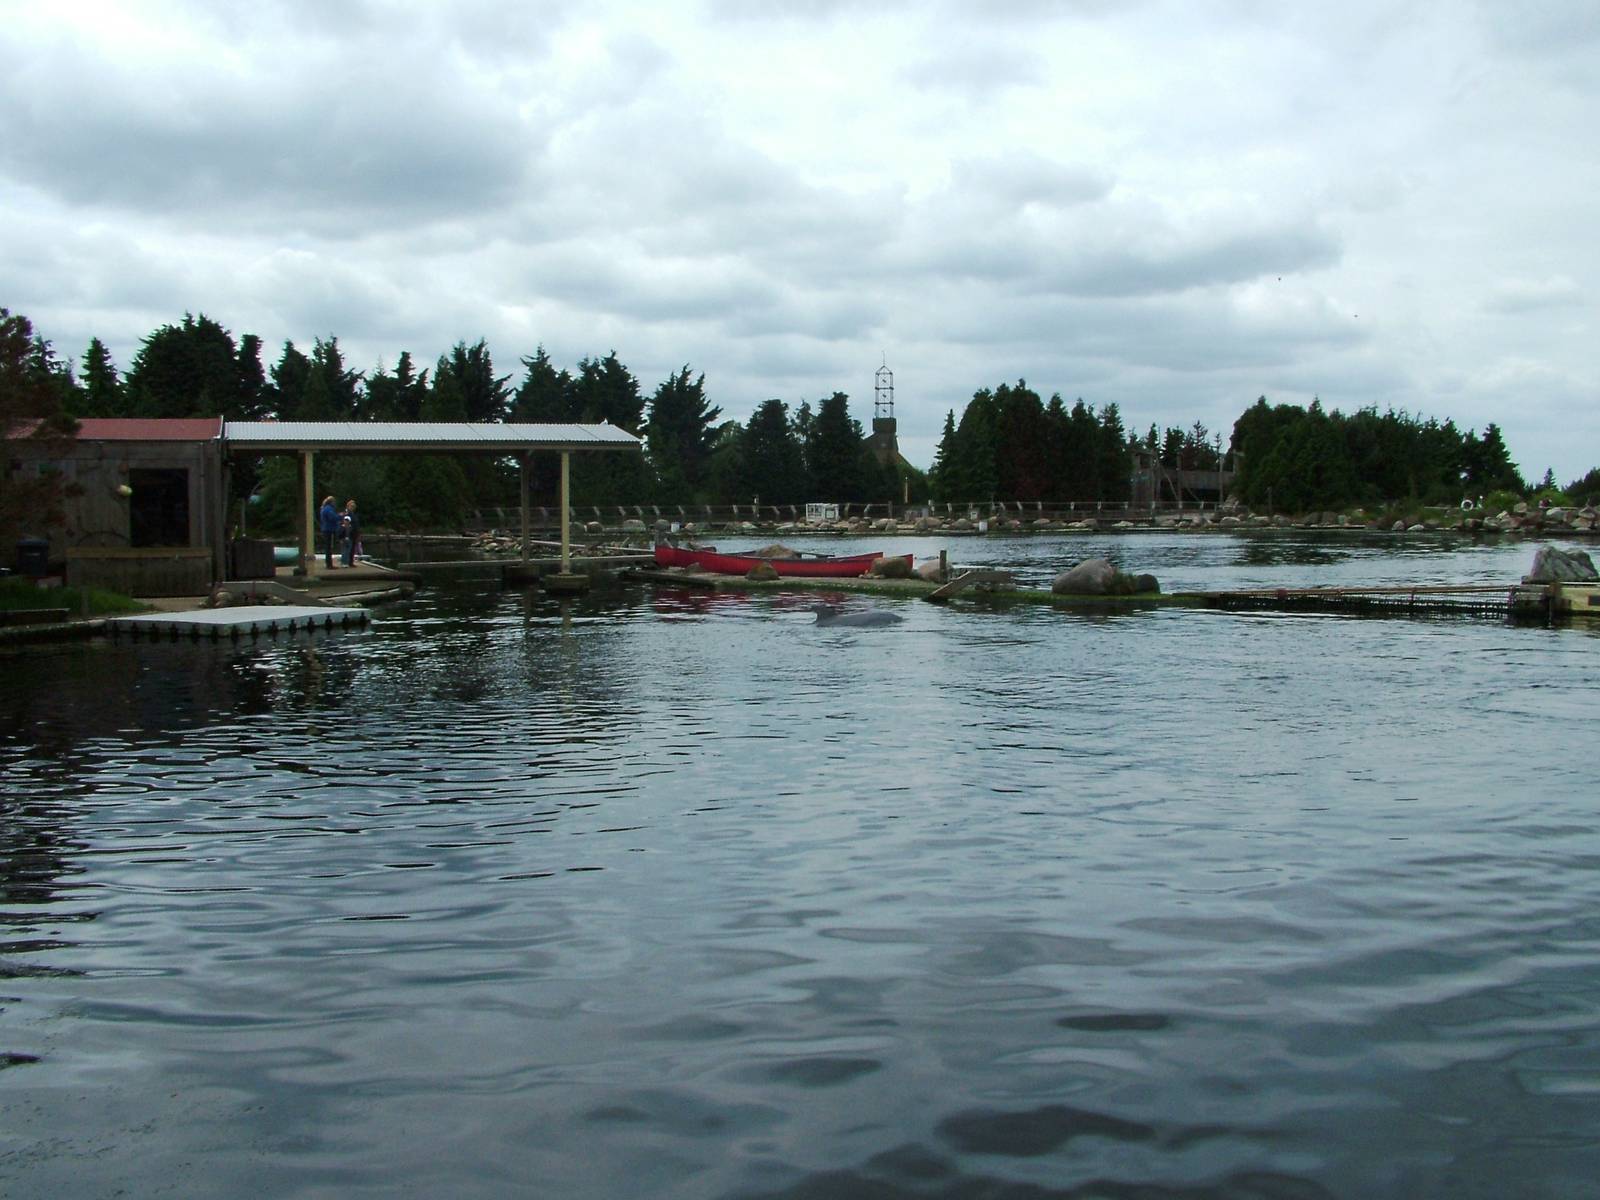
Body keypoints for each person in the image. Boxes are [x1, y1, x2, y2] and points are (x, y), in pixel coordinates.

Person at [318, 495, 339, 568]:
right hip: (329, 529)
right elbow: (332, 518)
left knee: (328, 547)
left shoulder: (323, 508)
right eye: (334, 502)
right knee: (329, 547)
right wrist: (340, 516)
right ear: (331, 502)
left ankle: (329, 564)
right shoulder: (329, 509)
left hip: (325, 529)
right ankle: (329, 564)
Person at [341, 499, 361, 567]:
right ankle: (344, 562)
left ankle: (350, 562)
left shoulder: (353, 514)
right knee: (346, 548)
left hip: (354, 533)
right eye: (351, 506)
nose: (353, 508)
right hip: (348, 533)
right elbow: (346, 524)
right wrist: (346, 534)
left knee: (352, 548)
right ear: (348, 506)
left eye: (354, 506)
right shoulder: (347, 513)